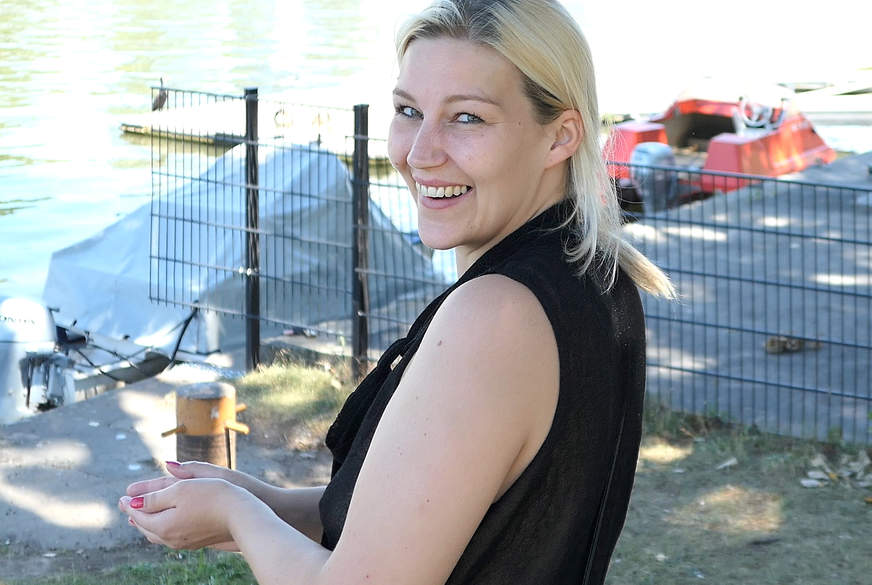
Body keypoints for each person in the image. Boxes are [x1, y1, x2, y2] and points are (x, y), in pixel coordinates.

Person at [118, 1, 675, 584]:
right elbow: (449, 521)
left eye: (467, 118)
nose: (419, 153)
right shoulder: (597, 275)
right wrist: (265, 504)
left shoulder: (496, 315)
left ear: (560, 136)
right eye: (409, 111)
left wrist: (236, 513)